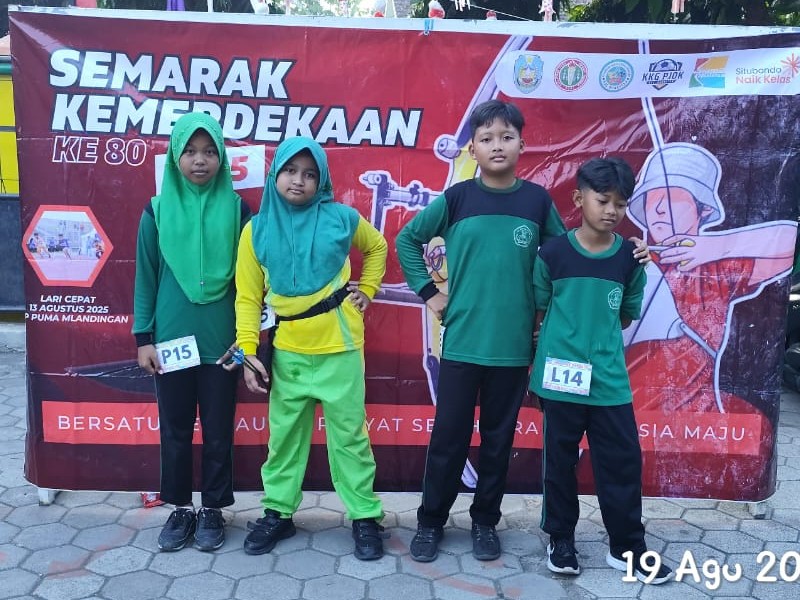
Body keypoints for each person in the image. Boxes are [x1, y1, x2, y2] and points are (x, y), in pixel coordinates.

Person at [222, 136, 388, 561]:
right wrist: (247, 352)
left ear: (322, 181)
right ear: (275, 174)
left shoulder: (342, 218)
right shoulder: (255, 231)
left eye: (310, 174)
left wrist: (368, 288)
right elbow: (247, 298)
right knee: (284, 440)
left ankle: (365, 516)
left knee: (350, 438)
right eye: (290, 171)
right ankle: (278, 513)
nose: (299, 181)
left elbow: (377, 246)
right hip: (289, 353)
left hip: (341, 348)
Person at [531, 157, 672, 584]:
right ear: (579, 199)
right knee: (560, 462)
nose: (612, 210)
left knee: (622, 462)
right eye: (603, 200)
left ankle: (627, 548)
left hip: (609, 380)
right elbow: (541, 307)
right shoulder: (552, 254)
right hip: (560, 379)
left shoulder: (631, 257)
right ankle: (561, 540)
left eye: (621, 204)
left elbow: (626, 315)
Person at [132, 112, 250, 553]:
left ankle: (213, 508)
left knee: (219, 430)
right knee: (176, 428)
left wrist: (248, 338)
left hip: (224, 342)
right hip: (171, 343)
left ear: (222, 158)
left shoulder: (239, 210)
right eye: (190, 151)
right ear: (175, 158)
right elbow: (145, 277)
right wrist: (144, 339)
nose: (200, 160)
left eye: (209, 151)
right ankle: (181, 508)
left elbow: (251, 281)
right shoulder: (157, 210)